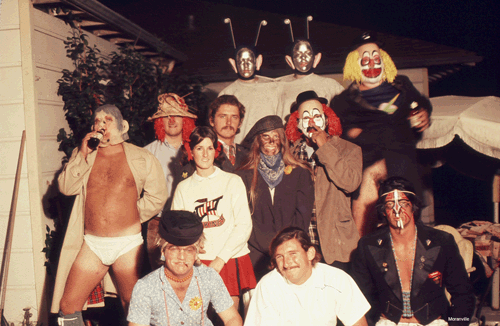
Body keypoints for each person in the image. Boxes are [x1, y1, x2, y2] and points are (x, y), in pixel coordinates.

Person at [52, 104, 167, 325]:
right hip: (92, 243)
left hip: (127, 243)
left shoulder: (141, 157)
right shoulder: (84, 154)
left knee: (132, 303)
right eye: (97, 121)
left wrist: (129, 216)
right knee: (68, 306)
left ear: (121, 126)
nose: (101, 125)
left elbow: (157, 197)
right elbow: (66, 188)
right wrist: (82, 154)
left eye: (107, 120)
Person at [332, 32, 432, 236]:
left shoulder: (403, 86)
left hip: (404, 172)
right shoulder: (343, 102)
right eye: (365, 60)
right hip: (366, 177)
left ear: (384, 61)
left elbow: (421, 105)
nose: (371, 65)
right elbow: (344, 141)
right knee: (364, 234)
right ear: (354, 63)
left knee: (406, 234)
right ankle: (362, 255)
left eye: (376, 59)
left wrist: (424, 112)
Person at [351, 177, 475, 326]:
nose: (397, 210)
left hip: (434, 322)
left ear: (413, 207)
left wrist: (455, 325)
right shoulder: (367, 245)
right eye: (390, 205)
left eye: (403, 204)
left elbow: (463, 295)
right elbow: (358, 298)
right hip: (387, 322)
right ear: (383, 211)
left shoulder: (441, 241)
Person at [171, 126, 256, 308]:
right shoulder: (183, 188)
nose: (205, 154)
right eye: (199, 148)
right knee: (197, 315)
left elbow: (243, 225)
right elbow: (177, 232)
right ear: (191, 151)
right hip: (198, 261)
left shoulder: (232, 181)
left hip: (228, 258)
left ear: (216, 151)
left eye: (210, 148)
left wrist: (220, 259)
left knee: (229, 317)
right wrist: (193, 255)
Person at [285, 90, 362, 267]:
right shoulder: (289, 155)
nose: (311, 122)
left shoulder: (350, 150)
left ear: (326, 120)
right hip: (303, 243)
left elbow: (350, 183)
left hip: (337, 243)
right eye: (305, 118)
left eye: (316, 116)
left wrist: (324, 147)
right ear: (297, 124)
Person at [127, 210, 242, 326]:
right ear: (163, 250)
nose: (181, 257)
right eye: (174, 249)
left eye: (189, 250)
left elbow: (232, 318)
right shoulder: (145, 287)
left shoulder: (209, 277)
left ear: (197, 252)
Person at [238, 115, 314, 280]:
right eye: (266, 136)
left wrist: (284, 249)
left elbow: (302, 219)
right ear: (258, 141)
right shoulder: (243, 175)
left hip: (290, 255)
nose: (271, 140)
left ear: (283, 139)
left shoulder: (300, 173)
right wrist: (270, 249)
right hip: (255, 255)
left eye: (276, 135)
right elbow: (243, 218)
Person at [244, 227, 370, 326]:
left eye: (292, 254)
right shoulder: (268, 286)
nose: (286, 263)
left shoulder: (336, 279)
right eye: (279, 257)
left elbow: (358, 323)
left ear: (310, 253)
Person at [144, 93, 197, 270]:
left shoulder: (197, 149)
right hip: (158, 222)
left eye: (177, 116)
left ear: (185, 121)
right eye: (166, 116)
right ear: (159, 122)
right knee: (158, 274)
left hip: (192, 221)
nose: (172, 120)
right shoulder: (147, 153)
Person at [219, 19, 279, 144]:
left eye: (250, 61)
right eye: (241, 61)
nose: (246, 65)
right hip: (240, 152)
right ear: (233, 64)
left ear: (258, 62)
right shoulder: (227, 93)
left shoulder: (274, 87)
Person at [276, 17, 344, 121]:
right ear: (290, 61)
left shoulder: (330, 85)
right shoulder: (279, 86)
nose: (303, 58)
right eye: (298, 54)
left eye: (307, 54)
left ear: (316, 59)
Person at [207, 95, 249, 172]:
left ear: (240, 123)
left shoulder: (247, 154)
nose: (229, 122)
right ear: (211, 121)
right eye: (223, 116)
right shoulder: (204, 151)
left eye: (234, 117)